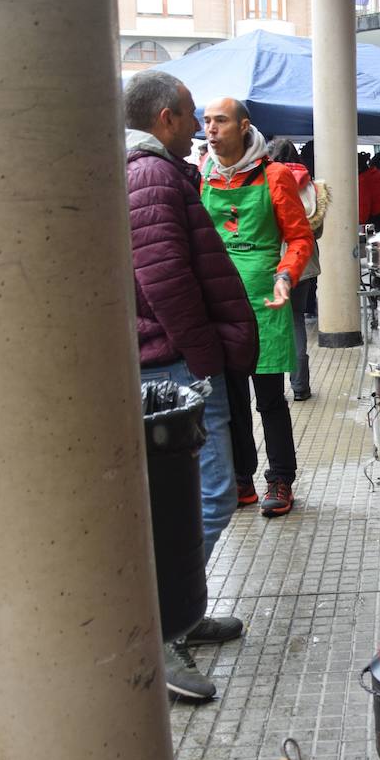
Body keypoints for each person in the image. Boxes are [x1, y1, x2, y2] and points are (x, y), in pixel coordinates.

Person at [123, 72, 258, 701]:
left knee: (197, 498)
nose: (203, 127)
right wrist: (204, 355)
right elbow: (164, 277)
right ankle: (161, 626)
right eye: (195, 116)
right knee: (209, 496)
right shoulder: (151, 173)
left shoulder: (158, 170)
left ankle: (184, 610)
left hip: (177, 356)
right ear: (169, 117)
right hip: (176, 361)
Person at [201, 97, 314, 518]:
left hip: (266, 301)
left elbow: (300, 237)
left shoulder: (276, 175)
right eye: (207, 121)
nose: (211, 128)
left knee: (269, 398)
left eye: (221, 121)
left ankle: (280, 478)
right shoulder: (203, 175)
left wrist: (287, 274)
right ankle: (242, 479)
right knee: (230, 399)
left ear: (244, 126)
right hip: (219, 301)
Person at [267, 138, 328, 402]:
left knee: (273, 325)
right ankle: (300, 386)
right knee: (297, 321)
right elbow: (318, 232)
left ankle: (272, 388)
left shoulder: (267, 181)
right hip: (304, 263)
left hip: (273, 263)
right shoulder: (312, 188)